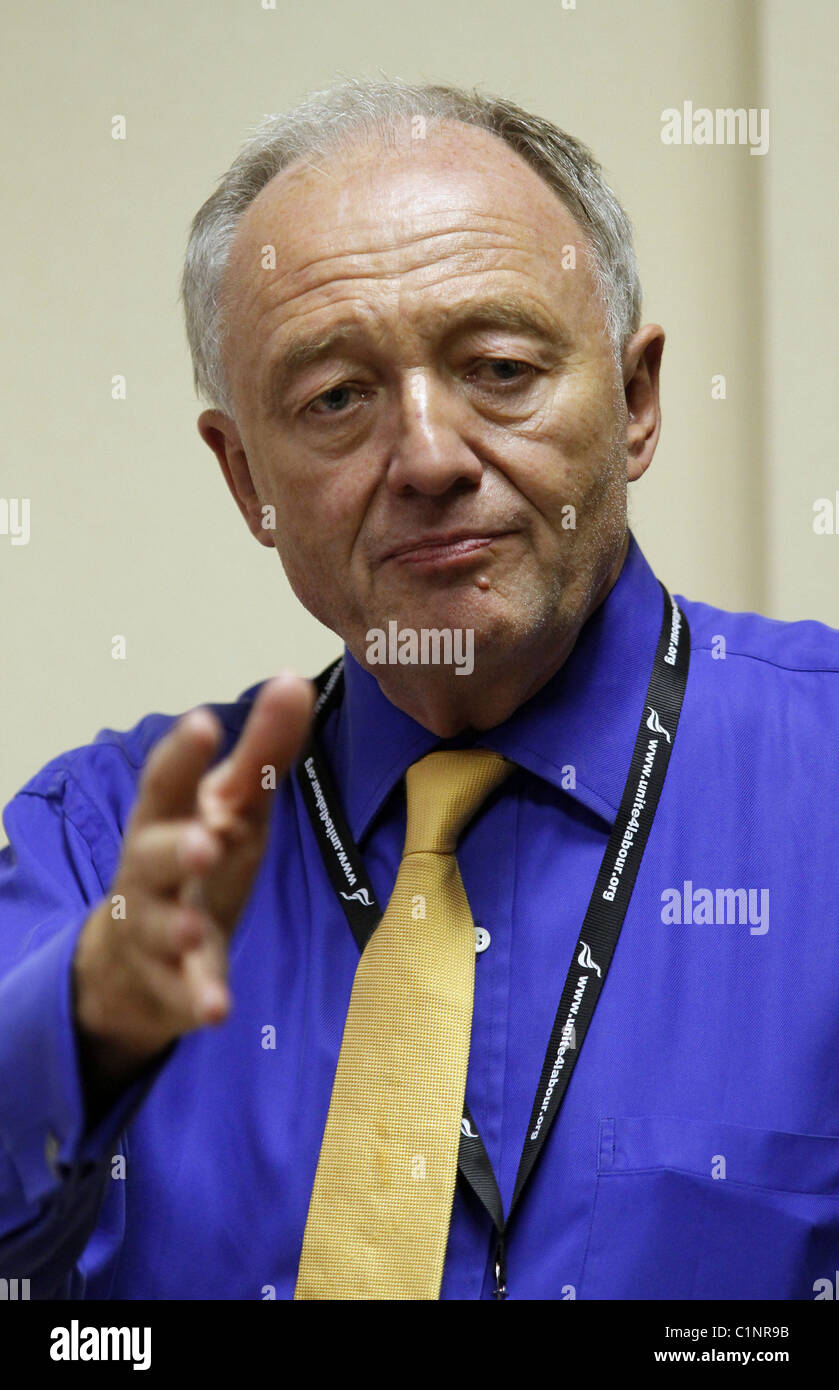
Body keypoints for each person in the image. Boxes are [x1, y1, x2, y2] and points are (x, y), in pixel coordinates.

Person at [1, 79, 838, 1302]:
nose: (431, 458)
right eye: (335, 398)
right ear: (246, 481)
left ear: (637, 401)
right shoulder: (103, 849)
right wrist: (78, 1041)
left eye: (497, 367)